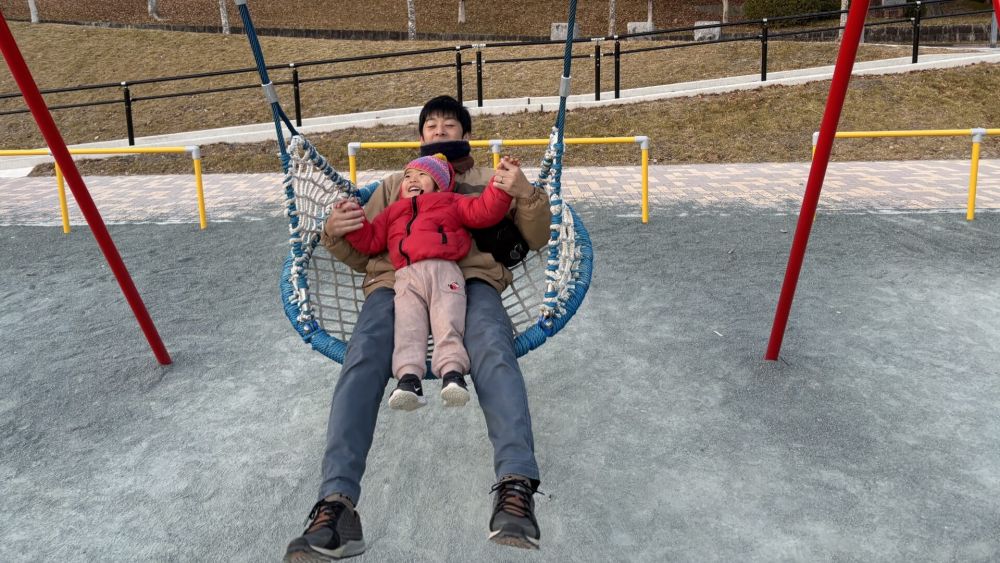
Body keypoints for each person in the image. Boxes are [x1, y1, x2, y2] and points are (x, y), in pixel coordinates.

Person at [283, 95, 550, 562]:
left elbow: (536, 238)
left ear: (465, 132)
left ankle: (515, 488)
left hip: (471, 278)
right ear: (421, 137)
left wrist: (525, 193)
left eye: (450, 124)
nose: (441, 130)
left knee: (492, 345)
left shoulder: (491, 181)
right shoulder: (393, 186)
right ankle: (336, 505)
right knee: (364, 354)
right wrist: (334, 230)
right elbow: (366, 250)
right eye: (432, 125)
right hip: (395, 284)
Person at [340, 152, 514, 411]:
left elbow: (484, 211)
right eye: (408, 176)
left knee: (448, 321)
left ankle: (453, 375)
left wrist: (499, 186)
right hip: (406, 277)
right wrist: (354, 222)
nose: (412, 179)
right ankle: (409, 380)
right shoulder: (393, 212)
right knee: (408, 326)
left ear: (439, 184)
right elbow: (371, 241)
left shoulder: (451, 202)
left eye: (422, 175)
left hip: (445, 272)